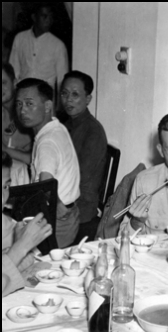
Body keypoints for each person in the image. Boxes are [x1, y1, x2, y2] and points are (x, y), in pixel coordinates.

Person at [16, 78, 80, 248]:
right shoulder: (56, 127)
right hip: (70, 213)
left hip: (57, 221)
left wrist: (58, 207)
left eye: (30, 104)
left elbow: (46, 184)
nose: (23, 110)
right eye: (19, 104)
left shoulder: (47, 142)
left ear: (47, 106)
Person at [60, 71, 107, 240]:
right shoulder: (67, 125)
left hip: (80, 209)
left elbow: (80, 177)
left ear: (88, 99)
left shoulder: (93, 131)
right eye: (64, 93)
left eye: (75, 94)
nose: (68, 99)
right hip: (66, 199)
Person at [2, 151, 52, 297]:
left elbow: (29, 258)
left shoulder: (6, 223)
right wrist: (20, 248)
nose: (2, 197)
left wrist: (21, 248)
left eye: (5, 187)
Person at [8, 3, 68, 94]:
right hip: (23, 94)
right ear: (34, 17)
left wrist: (58, 106)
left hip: (45, 98)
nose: (49, 20)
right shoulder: (20, 39)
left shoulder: (58, 45)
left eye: (51, 17)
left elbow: (62, 81)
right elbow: (13, 71)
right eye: (44, 16)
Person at [2, 62, 31, 185]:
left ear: (14, 83)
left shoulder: (28, 112)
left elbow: (33, 158)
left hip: (28, 179)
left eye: (3, 83)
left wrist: (5, 150)